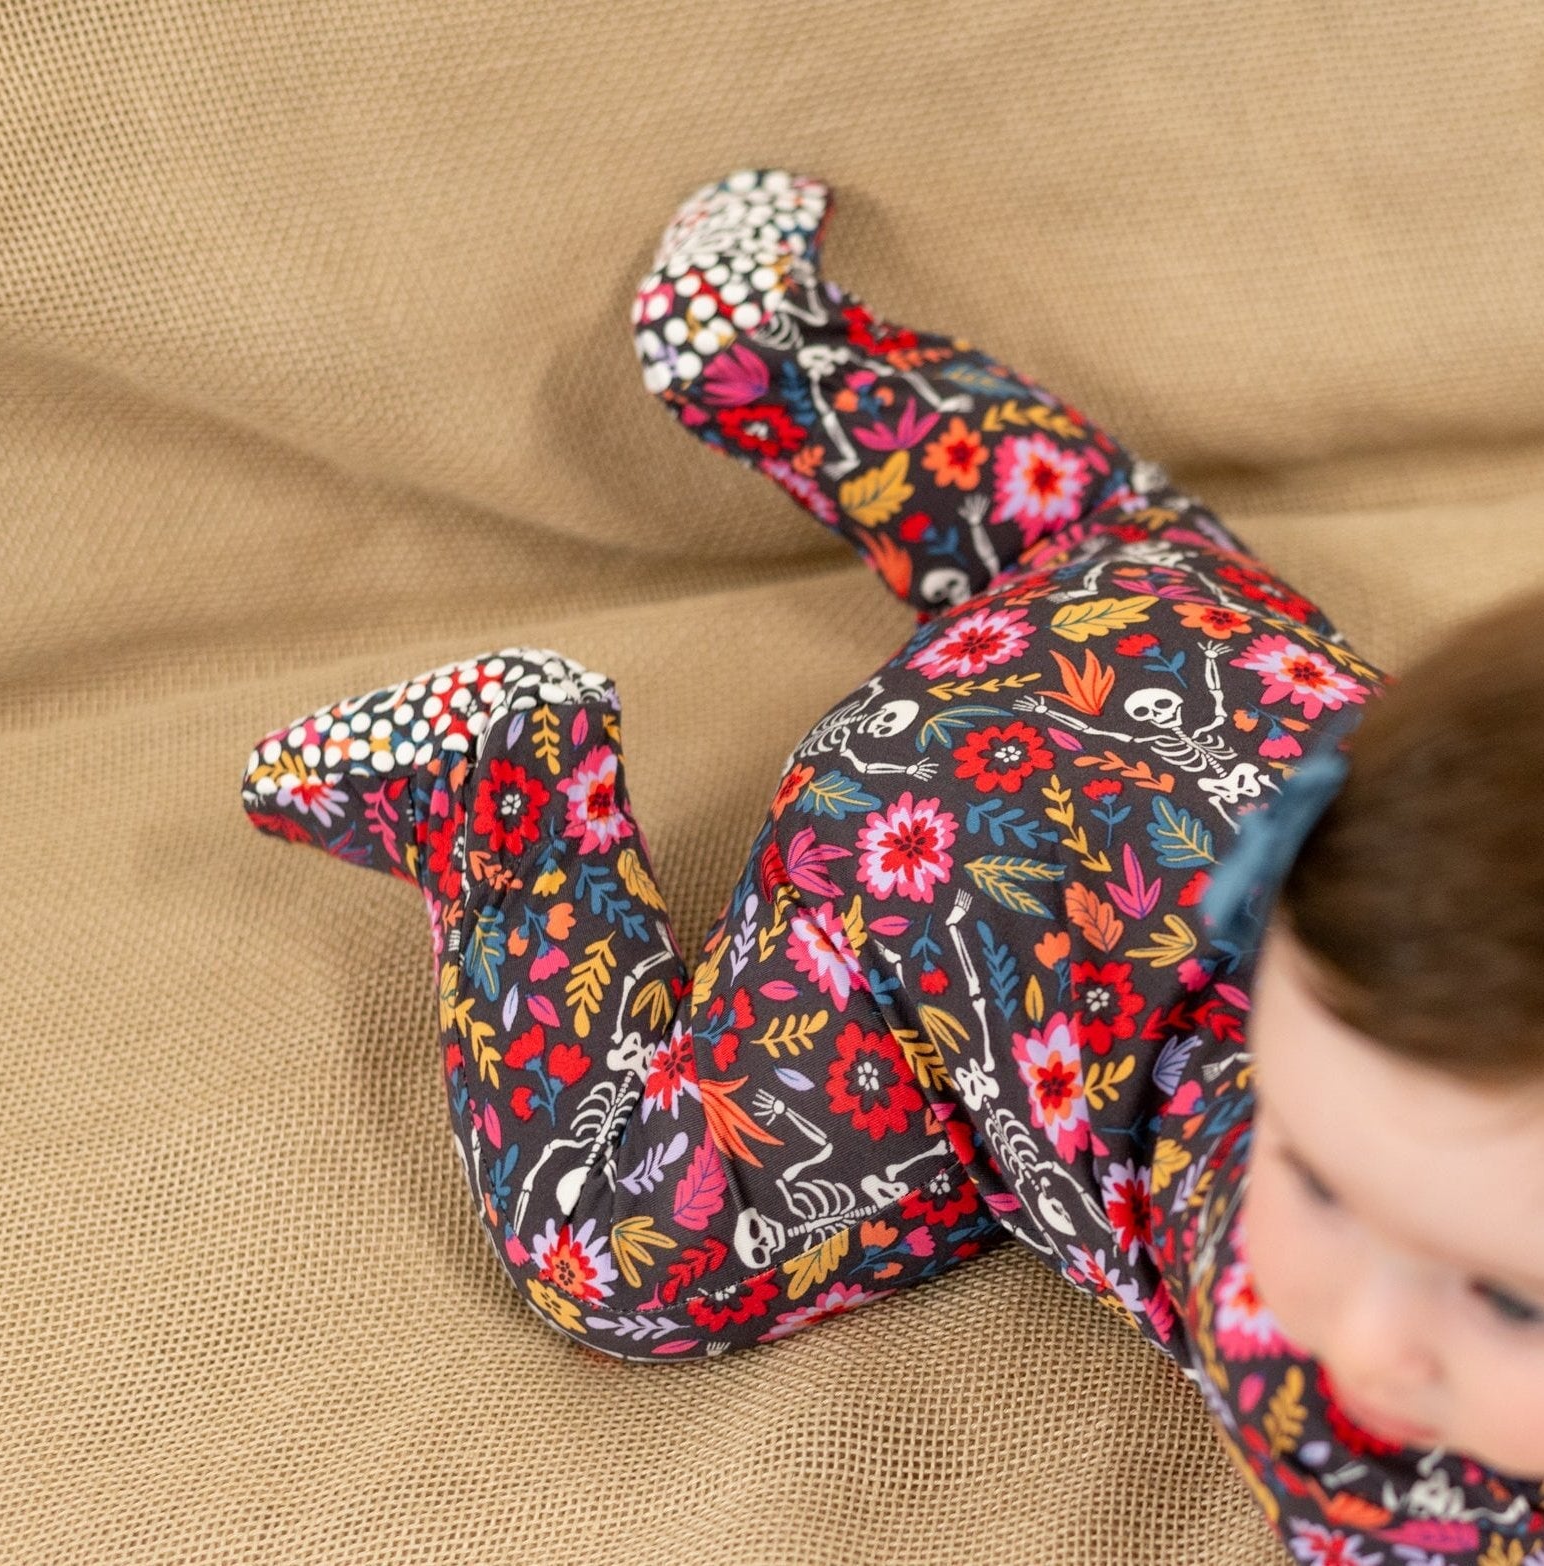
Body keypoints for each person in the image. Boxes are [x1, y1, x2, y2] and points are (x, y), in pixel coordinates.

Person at [241, 169, 1544, 1562]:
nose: (1365, 1330)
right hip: (914, 909)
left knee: (1093, 531)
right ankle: (506, 805)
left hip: (1175, 653)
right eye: (1315, 1180)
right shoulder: (1364, 1423)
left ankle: (778, 358)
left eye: (1513, 1306)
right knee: (623, 1246)